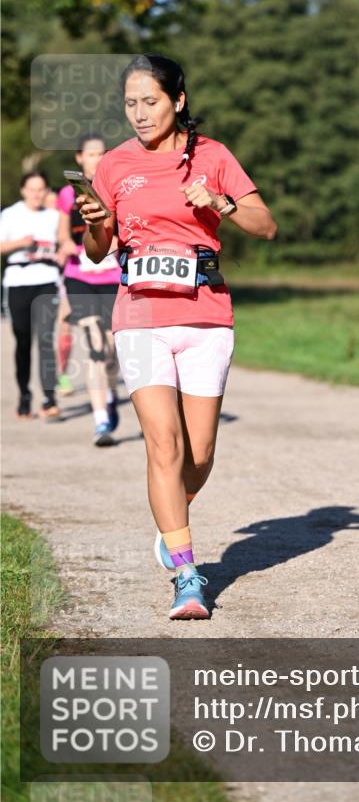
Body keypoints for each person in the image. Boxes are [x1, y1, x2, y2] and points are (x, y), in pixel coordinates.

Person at [79, 53, 277, 620]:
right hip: (139, 315)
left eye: (151, 102)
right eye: (130, 104)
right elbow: (98, 249)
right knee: (162, 445)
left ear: (178, 101)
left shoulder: (212, 156)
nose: (140, 114)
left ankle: (174, 519)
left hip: (206, 316)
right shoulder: (114, 165)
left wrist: (221, 203)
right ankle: (188, 575)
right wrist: (96, 221)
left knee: (200, 452)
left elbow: (266, 226)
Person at [57, 135, 122, 446]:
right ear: (79, 158)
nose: (97, 158)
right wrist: (72, 248)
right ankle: (101, 422)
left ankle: (110, 395)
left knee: (110, 350)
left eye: (102, 153)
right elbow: (62, 236)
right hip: (79, 278)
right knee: (95, 348)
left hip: (112, 278)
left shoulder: (117, 189)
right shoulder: (67, 195)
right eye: (92, 154)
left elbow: (127, 233)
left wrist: (111, 250)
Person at [0, 171, 65, 419]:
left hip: (46, 280)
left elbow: (63, 242)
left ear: (47, 191)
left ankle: (50, 397)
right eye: (32, 189)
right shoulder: (10, 214)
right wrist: (20, 243)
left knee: (47, 339)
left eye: (41, 189)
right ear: (23, 190)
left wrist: (61, 252)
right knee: (23, 341)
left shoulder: (54, 216)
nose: (36, 194)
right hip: (18, 281)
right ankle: (24, 395)